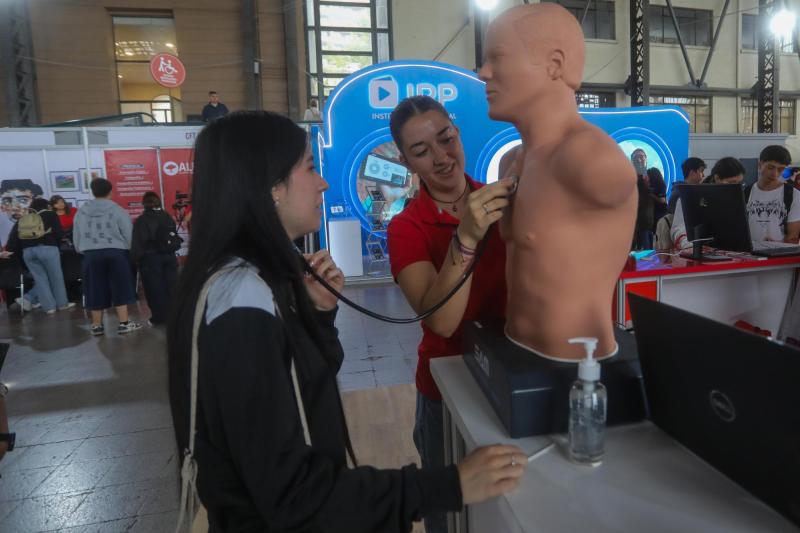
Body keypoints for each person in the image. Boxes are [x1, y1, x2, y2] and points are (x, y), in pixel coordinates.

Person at [167, 110, 526, 532]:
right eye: (310, 168)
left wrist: (318, 318)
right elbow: (293, 494)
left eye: (447, 138)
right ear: (271, 187)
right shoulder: (239, 299)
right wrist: (447, 485)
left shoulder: (254, 283)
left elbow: (301, 394)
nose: (322, 182)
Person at [386, 96, 516, 533]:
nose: (442, 158)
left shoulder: (503, 203)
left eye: (446, 139)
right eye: (423, 151)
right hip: (445, 388)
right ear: (407, 162)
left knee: (506, 510)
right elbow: (439, 320)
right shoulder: (407, 227)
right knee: (448, 514)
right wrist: (467, 236)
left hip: (507, 376)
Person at [479, 3, 637, 359]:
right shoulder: (512, 162)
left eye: (497, 58)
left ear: (554, 65)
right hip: (516, 345)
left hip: (578, 363)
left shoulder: (591, 161)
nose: (483, 72)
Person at [73, 178, 141, 336]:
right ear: (111, 191)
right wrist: (129, 249)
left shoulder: (82, 211)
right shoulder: (118, 209)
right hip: (116, 253)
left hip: (91, 254)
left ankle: (96, 326)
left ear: (92, 191)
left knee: (94, 287)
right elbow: (128, 233)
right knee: (120, 286)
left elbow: (76, 235)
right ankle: (124, 324)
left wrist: (83, 249)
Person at [6, 198, 74, 314]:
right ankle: (62, 304)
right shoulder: (50, 214)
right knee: (56, 278)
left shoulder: (23, 218)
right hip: (48, 249)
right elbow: (59, 234)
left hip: (28, 252)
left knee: (40, 279)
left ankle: (49, 308)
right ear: (46, 206)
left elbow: (12, 242)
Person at [670, 156, 746, 250]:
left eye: (740, 183)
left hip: (736, 253)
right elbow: (679, 230)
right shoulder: (691, 197)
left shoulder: (740, 199)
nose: (736, 188)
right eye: (732, 183)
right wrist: (690, 246)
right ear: (717, 178)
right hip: (701, 253)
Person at [130, 191, 179, 327]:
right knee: (172, 287)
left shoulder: (142, 220)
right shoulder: (167, 216)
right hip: (170, 256)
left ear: (144, 204)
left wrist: (134, 259)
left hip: (150, 259)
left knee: (155, 289)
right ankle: (175, 316)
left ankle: (158, 318)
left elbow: (138, 242)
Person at [745, 145, 800, 243]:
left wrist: (777, 246)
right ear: (760, 164)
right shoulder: (746, 192)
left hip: (778, 255)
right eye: (770, 167)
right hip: (749, 254)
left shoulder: (793, 195)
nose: (775, 173)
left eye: (781, 169)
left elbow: (793, 236)